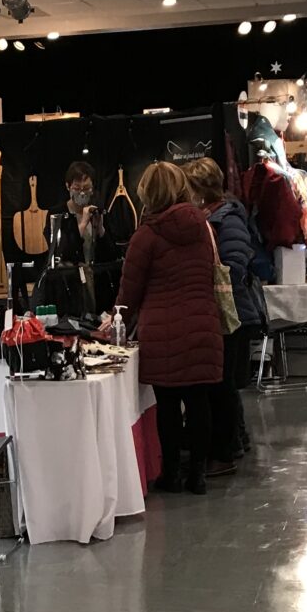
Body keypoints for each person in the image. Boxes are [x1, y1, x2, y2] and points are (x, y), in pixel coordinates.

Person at [114, 161, 223, 494]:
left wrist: (113, 321)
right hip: (204, 324)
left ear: (147, 193)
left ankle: (172, 473)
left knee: (169, 408)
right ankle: (199, 475)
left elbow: (129, 292)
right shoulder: (204, 228)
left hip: (162, 332)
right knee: (200, 401)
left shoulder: (145, 236)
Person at [184, 157, 264, 474]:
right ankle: (237, 439)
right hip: (229, 313)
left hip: (232, 315)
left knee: (222, 385)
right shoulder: (217, 217)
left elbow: (233, 266)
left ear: (201, 191)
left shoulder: (227, 219)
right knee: (224, 384)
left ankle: (227, 449)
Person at [53, 160, 102, 265]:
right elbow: (60, 253)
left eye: (86, 188)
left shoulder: (95, 211)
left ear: (92, 188)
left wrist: (101, 229)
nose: (82, 193)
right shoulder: (57, 214)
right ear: (68, 186)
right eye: (77, 188)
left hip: (95, 276)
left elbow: (110, 253)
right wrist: (83, 224)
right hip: (70, 278)